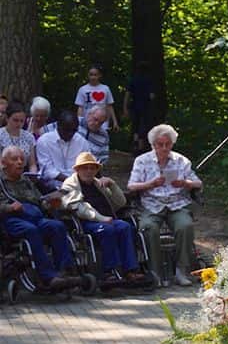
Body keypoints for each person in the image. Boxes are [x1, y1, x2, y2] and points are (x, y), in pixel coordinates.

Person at [128, 124, 202, 286]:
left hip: (177, 203)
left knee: (185, 226)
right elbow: (131, 186)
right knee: (149, 228)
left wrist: (185, 183)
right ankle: (155, 272)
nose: (164, 148)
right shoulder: (142, 161)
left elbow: (198, 183)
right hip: (151, 204)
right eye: (160, 144)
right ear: (153, 145)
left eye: (167, 144)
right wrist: (150, 184)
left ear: (172, 144)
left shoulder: (181, 161)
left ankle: (181, 270)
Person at [61, 152, 147, 284]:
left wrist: (112, 185)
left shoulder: (98, 183)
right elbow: (78, 208)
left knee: (125, 227)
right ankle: (109, 271)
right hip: (87, 222)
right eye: (85, 168)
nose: (89, 171)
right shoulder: (70, 184)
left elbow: (120, 203)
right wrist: (101, 218)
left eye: (92, 168)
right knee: (107, 230)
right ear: (77, 169)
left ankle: (131, 270)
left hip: (108, 219)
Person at [0, 146, 77, 290]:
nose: (20, 162)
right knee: (31, 230)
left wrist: (50, 203)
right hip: (11, 220)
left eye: (22, 159)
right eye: (15, 159)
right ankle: (48, 277)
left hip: (34, 216)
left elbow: (39, 201)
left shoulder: (26, 180)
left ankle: (65, 271)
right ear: (3, 162)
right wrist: (9, 207)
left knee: (56, 226)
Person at [35, 111, 91, 193]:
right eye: (67, 130)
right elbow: (47, 171)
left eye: (74, 130)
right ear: (58, 126)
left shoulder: (82, 142)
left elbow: (87, 165)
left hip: (79, 185)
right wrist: (70, 181)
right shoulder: (44, 141)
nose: (71, 134)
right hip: (51, 188)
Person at [75, 64, 120, 129]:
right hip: (87, 121)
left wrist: (115, 122)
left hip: (102, 122)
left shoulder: (105, 89)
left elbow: (109, 106)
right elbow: (80, 107)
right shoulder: (82, 89)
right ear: (88, 75)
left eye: (95, 75)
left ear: (100, 75)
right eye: (91, 74)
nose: (93, 77)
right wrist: (79, 122)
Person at [2, 102, 38, 173]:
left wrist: (32, 174)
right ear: (7, 118)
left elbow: (32, 164)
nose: (19, 124)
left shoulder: (29, 137)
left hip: (23, 175)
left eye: (22, 121)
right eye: (15, 120)